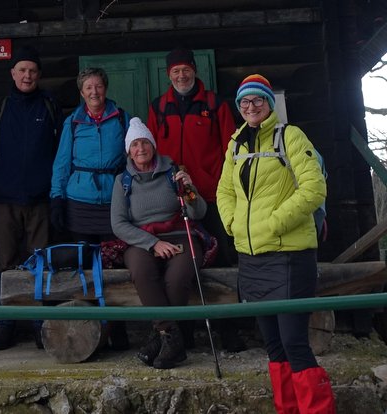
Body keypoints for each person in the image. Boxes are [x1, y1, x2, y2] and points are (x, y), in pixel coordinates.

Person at [216, 74, 335, 412]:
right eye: (244, 102)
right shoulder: (236, 144)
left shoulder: (290, 136)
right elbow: (224, 190)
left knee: (294, 343)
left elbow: (314, 189)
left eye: (257, 100)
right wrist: (232, 224)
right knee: (274, 346)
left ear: (269, 103)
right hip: (251, 258)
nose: (251, 106)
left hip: (290, 256)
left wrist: (273, 224)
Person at [146, 47, 245, 352]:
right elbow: (151, 152)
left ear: (194, 70)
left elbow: (231, 149)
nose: (181, 76)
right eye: (175, 71)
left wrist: (219, 183)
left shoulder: (214, 105)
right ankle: (185, 332)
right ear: (168, 75)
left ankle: (229, 331)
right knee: (181, 265)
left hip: (211, 197)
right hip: (174, 201)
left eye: (185, 70)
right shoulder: (158, 107)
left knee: (223, 260)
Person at [111, 117, 207, 369]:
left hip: (179, 234)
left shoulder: (173, 173)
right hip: (141, 240)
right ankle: (173, 338)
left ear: (153, 146)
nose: (140, 149)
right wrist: (152, 243)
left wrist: (190, 191)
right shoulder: (122, 181)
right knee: (142, 272)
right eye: (134, 145)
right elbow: (118, 224)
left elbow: (198, 212)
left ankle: (160, 338)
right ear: (128, 151)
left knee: (178, 276)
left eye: (144, 143)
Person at [0, 45, 63, 351]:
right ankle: (4, 324)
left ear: (39, 74)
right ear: (13, 73)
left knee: (39, 262)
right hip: (3, 198)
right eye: (22, 70)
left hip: (40, 198)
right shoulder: (0, 106)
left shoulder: (49, 106)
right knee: (5, 262)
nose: (27, 75)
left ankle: (39, 324)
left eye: (32, 71)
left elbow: (59, 150)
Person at [50, 67, 131, 350]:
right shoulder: (73, 122)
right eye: (88, 88)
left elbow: (133, 157)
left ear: (105, 88)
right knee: (84, 266)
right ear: (81, 92)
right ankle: (89, 330)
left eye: (98, 86)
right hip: (80, 202)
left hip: (113, 200)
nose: (94, 92)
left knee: (113, 265)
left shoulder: (121, 117)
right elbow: (62, 163)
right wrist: (57, 198)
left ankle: (118, 329)